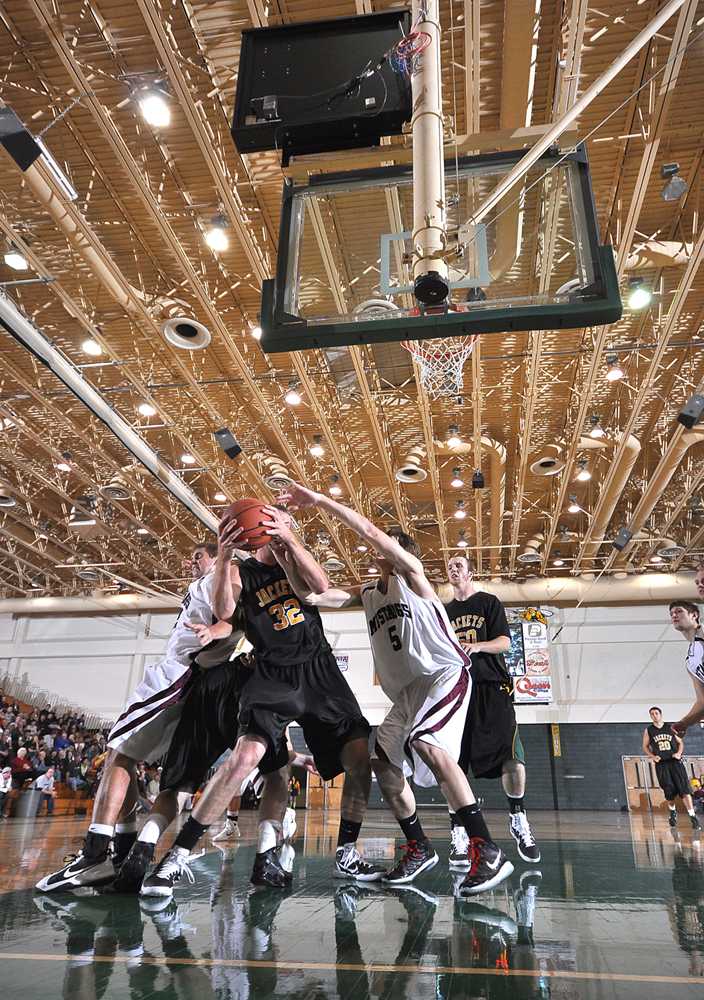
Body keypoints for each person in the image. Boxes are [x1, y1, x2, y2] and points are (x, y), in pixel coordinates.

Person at [277, 481, 513, 895]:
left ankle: (485, 847)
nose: (377, 551)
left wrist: (318, 501)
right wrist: (285, 550)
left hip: (444, 674)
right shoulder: (369, 592)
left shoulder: (412, 575)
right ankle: (419, 845)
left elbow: (370, 531)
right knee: (381, 761)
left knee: (427, 743)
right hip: (407, 694)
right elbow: (312, 597)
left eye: (386, 546)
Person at [144, 504, 381, 897]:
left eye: (285, 522)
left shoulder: (297, 561)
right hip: (271, 673)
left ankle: (346, 852)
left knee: (359, 761)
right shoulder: (241, 571)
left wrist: (289, 537)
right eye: (273, 522)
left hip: (319, 670)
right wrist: (222, 555)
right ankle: (177, 855)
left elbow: (321, 586)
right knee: (243, 760)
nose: (281, 527)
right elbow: (223, 610)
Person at [35, 542, 236, 892]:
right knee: (150, 771)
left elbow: (232, 621)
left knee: (119, 754)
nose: (192, 560)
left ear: (217, 556)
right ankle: (122, 852)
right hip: (196, 685)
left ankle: (96, 852)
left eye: (198, 556)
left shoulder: (225, 575)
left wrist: (215, 630)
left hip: (180, 675)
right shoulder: (205, 583)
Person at [444, 555, 540, 865]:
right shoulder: (444, 612)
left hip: (491, 688)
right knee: (452, 765)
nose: (453, 568)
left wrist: (477, 646)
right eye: (449, 565)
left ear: (471, 572)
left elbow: (504, 642)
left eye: (459, 564)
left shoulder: (488, 602)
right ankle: (458, 832)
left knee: (513, 757)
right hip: (456, 692)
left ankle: (518, 818)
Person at [643, 706, 700, 830]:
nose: (654, 715)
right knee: (669, 792)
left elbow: (680, 743)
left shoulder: (670, 728)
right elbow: (645, 746)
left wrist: (679, 753)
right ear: (650, 716)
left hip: (675, 762)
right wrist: (652, 756)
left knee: (685, 790)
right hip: (662, 764)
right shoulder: (649, 730)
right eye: (652, 714)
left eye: (656, 713)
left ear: (661, 714)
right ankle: (673, 812)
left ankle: (693, 816)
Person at [670, 601, 704, 736]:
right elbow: (702, 702)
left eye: (678, 611)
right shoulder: (690, 663)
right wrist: (683, 723)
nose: (674, 615)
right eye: (671, 614)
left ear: (694, 615)